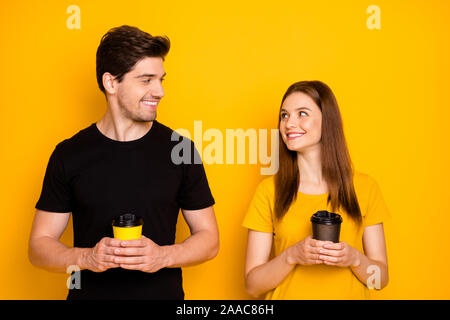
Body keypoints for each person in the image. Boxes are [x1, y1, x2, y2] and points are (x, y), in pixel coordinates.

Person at [28, 25, 219, 300]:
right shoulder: (69, 154)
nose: (160, 91)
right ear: (111, 83)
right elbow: (38, 247)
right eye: (146, 80)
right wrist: (87, 258)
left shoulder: (181, 150)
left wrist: (162, 256)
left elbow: (209, 239)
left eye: (161, 79)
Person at [242, 80, 390, 299]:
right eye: (284, 115)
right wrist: (292, 255)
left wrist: (354, 258)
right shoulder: (268, 191)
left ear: (327, 121)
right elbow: (252, 287)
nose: (289, 123)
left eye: (302, 113)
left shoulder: (365, 188)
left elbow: (381, 280)